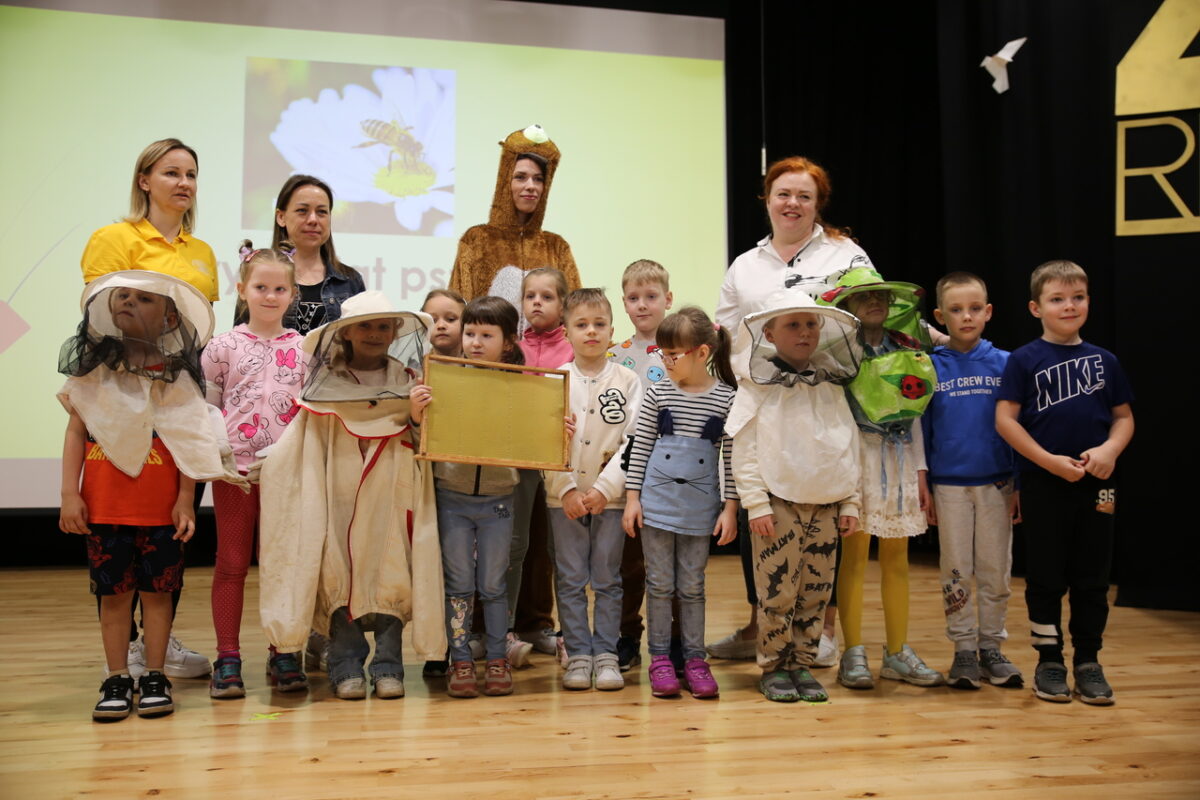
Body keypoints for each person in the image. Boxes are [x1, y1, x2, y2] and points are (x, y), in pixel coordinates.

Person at [58, 271, 244, 720]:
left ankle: (156, 675)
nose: (128, 302)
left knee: (159, 596)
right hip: (105, 508)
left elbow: (189, 440)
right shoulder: (95, 372)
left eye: (143, 299)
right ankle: (117, 677)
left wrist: (185, 499)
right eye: (122, 295)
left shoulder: (179, 377)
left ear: (169, 318)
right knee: (114, 597)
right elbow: (76, 431)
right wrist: (69, 493)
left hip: (161, 512)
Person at [710, 156, 871, 665]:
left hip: (823, 400)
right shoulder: (745, 265)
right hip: (764, 402)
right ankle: (761, 625)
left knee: (821, 513)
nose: (792, 204)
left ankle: (820, 631)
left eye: (804, 195)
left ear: (818, 203)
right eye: (783, 194)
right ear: (767, 199)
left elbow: (873, 317)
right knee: (762, 513)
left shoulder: (846, 255)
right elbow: (726, 333)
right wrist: (748, 382)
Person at [257, 292, 445, 702]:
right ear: (345, 333)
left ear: (395, 332)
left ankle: (388, 667)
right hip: (339, 496)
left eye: (383, 326)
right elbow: (305, 443)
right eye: (365, 326)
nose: (374, 334)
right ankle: (345, 667)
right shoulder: (326, 385)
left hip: (392, 495)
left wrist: (416, 417)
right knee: (339, 575)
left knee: (392, 574)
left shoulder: (410, 382)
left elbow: (425, 443)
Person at [79, 137, 216, 681]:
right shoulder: (113, 238)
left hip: (179, 398)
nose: (184, 183)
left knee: (171, 531)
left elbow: (197, 333)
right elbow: (102, 320)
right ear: (144, 180)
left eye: (191, 174)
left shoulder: (202, 252)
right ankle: (128, 648)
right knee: (120, 533)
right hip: (123, 394)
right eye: (171, 172)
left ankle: (159, 642)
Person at [996, 260, 1134, 705]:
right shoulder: (1023, 360)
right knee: (1046, 576)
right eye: (1057, 299)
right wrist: (1047, 462)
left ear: (1089, 301)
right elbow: (1005, 420)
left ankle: (1089, 661)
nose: (1069, 306)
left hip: (1097, 485)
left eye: (1078, 297)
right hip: (1044, 482)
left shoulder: (1105, 361)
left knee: (1093, 578)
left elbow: (1124, 418)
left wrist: (1109, 451)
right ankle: (1049, 660)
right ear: (1036, 308)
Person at [726, 290, 863, 702]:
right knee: (777, 592)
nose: (804, 332)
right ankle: (774, 665)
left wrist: (851, 500)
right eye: (793, 325)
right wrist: (755, 503)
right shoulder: (757, 385)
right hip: (778, 503)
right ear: (769, 333)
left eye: (810, 324)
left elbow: (846, 442)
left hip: (825, 503)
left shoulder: (830, 383)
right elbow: (743, 447)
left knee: (816, 590)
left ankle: (802, 663)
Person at [822, 267, 944, 689]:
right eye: (864, 296)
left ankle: (896, 652)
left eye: (881, 296)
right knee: (854, 555)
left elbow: (914, 414)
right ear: (848, 306)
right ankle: (852, 652)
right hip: (857, 455)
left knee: (897, 556)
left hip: (900, 458)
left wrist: (921, 470)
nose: (874, 302)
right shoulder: (838, 355)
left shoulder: (908, 348)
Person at [202, 241, 306, 699]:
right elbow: (207, 412)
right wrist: (220, 458)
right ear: (242, 289)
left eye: (280, 289)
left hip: (285, 477)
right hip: (235, 477)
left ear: (292, 294)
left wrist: (288, 459)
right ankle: (227, 656)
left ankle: (282, 650)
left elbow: (308, 416)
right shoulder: (221, 347)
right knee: (231, 564)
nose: (270, 296)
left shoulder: (305, 349)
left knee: (280, 565)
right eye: (261, 287)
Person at [412, 297, 525, 698]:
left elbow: (533, 438)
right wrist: (416, 414)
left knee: (493, 585)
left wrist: (554, 431)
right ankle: (460, 660)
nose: (475, 342)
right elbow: (423, 435)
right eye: (471, 333)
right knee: (458, 584)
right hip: (452, 495)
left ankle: (496, 658)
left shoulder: (521, 388)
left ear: (507, 342)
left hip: (499, 498)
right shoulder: (443, 378)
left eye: (486, 335)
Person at [622, 307, 737, 698]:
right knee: (658, 585)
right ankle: (659, 659)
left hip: (699, 510)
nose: (666, 362)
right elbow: (640, 447)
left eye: (673, 355)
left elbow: (731, 458)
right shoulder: (658, 392)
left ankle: (694, 659)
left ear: (702, 353)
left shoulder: (726, 399)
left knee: (691, 586)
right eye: (663, 354)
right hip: (656, 507)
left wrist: (730, 508)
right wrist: (633, 499)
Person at [922, 272, 1023, 691]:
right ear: (940, 316)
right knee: (956, 569)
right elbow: (922, 430)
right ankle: (963, 649)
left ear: (989, 312)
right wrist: (925, 483)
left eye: (975, 308)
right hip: (949, 486)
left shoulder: (1007, 363)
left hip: (998, 484)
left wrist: (1018, 482)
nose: (967, 316)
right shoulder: (930, 366)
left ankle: (991, 647)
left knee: (996, 569)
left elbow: (1020, 427)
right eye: (957, 310)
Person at [545, 289, 643, 691]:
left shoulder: (628, 381)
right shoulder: (554, 380)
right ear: (566, 332)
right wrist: (566, 489)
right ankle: (578, 655)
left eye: (599, 324)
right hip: (563, 500)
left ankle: (606, 654)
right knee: (570, 579)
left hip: (611, 500)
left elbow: (634, 440)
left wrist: (606, 487)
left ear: (611, 331)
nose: (591, 332)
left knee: (607, 579)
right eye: (581, 324)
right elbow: (542, 440)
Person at [610, 259, 673, 671]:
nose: (643, 305)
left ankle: (676, 642)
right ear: (624, 303)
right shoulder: (615, 355)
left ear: (668, 299)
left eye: (651, 296)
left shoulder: (684, 353)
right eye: (634, 298)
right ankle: (628, 635)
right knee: (629, 565)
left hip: (674, 475)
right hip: (629, 474)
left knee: (671, 566)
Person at [448, 125, 581, 314]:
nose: (531, 186)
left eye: (538, 179)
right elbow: (456, 310)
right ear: (505, 182)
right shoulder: (476, 240)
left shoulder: (557, 248)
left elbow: (576, 314)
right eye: (520, 177)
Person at [236, 175, 366, 335]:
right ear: (281, 217)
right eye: (302, 211)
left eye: (322, 212)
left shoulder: (350, 281)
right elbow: (240, 342)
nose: (313, 220)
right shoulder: (258, 275)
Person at [422, 288, 466, 359]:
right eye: (433, 320)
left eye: (450, 319)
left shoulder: (480, 364)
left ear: (465, 323)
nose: (441, 325)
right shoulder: (417, 365)